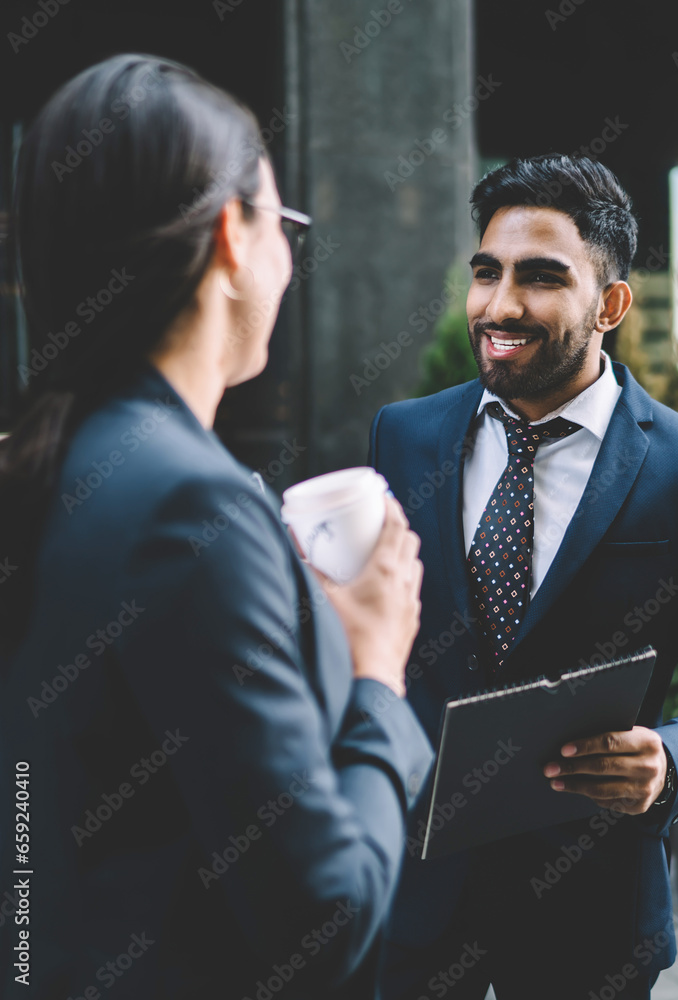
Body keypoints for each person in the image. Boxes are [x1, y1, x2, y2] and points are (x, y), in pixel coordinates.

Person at [0, 53, 433, 1000]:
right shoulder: (191, 505)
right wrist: (377, 668)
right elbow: (326, 922)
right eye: (286, 223)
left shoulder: (46, 466)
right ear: (235, 235)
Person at [369, 154, 678, 999]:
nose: (499, 306)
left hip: (589, 921)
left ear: (611, 304)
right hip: (408, 898)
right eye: (487, 273)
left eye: (541, 278)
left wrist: (672, 760)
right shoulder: (402, 437)